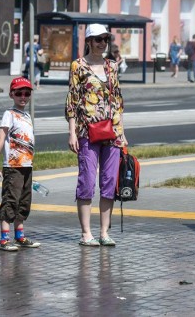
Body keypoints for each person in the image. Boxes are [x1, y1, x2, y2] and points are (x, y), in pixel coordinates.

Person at [65, 23, 127, 247]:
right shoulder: (78, 66)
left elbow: (117, 101)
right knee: (87, 180)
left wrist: (123, 132)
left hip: (112, 131)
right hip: (86, 130)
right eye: (98, 39)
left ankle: (104, 232)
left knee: (109, 181)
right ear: (89, 41)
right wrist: (72, 132)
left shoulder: (112, 66)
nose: (102, 43)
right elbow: (72, 101)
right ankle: (86, 233)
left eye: (105, 39)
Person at [0, 76, 41, 252]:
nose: (23, 96)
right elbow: (1, 138)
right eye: (19, 93)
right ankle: (4, 238)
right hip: (13, 166)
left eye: (27, 93)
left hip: (27, 166)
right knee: (10, 200)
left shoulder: (26, 115)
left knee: (24, 201)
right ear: (11, 94)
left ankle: (19, 236)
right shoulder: (9, 114)